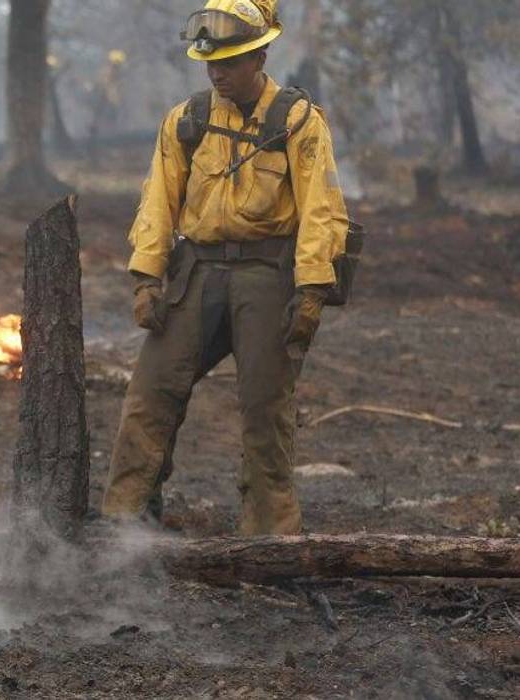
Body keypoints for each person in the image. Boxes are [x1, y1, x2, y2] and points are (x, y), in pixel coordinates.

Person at [100, 0, 350, 535]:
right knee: (150, 396)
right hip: (196, 275)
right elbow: (157, 201)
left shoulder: (297, 121)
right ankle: (125, 525)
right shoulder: (186, 119)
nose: (218, 74)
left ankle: (268, 537)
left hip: (267, 278)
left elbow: (322, 211)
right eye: (210, 63)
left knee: (265, 410)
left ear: (259, 55)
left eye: (230, 63)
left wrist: (310, 293)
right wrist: (147, 277)